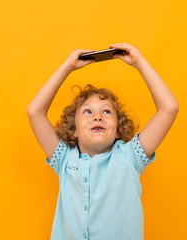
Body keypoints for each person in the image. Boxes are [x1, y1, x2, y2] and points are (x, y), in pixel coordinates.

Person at [26, 43, 179, 240]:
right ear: (73, 130)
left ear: (118, 129)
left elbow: (169, 108)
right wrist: (68, 67)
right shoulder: (64, 159)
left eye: (106, 112)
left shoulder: (130, 157)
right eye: (88, 111)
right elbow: (34, 112)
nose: (97, 117)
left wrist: (139, 62)